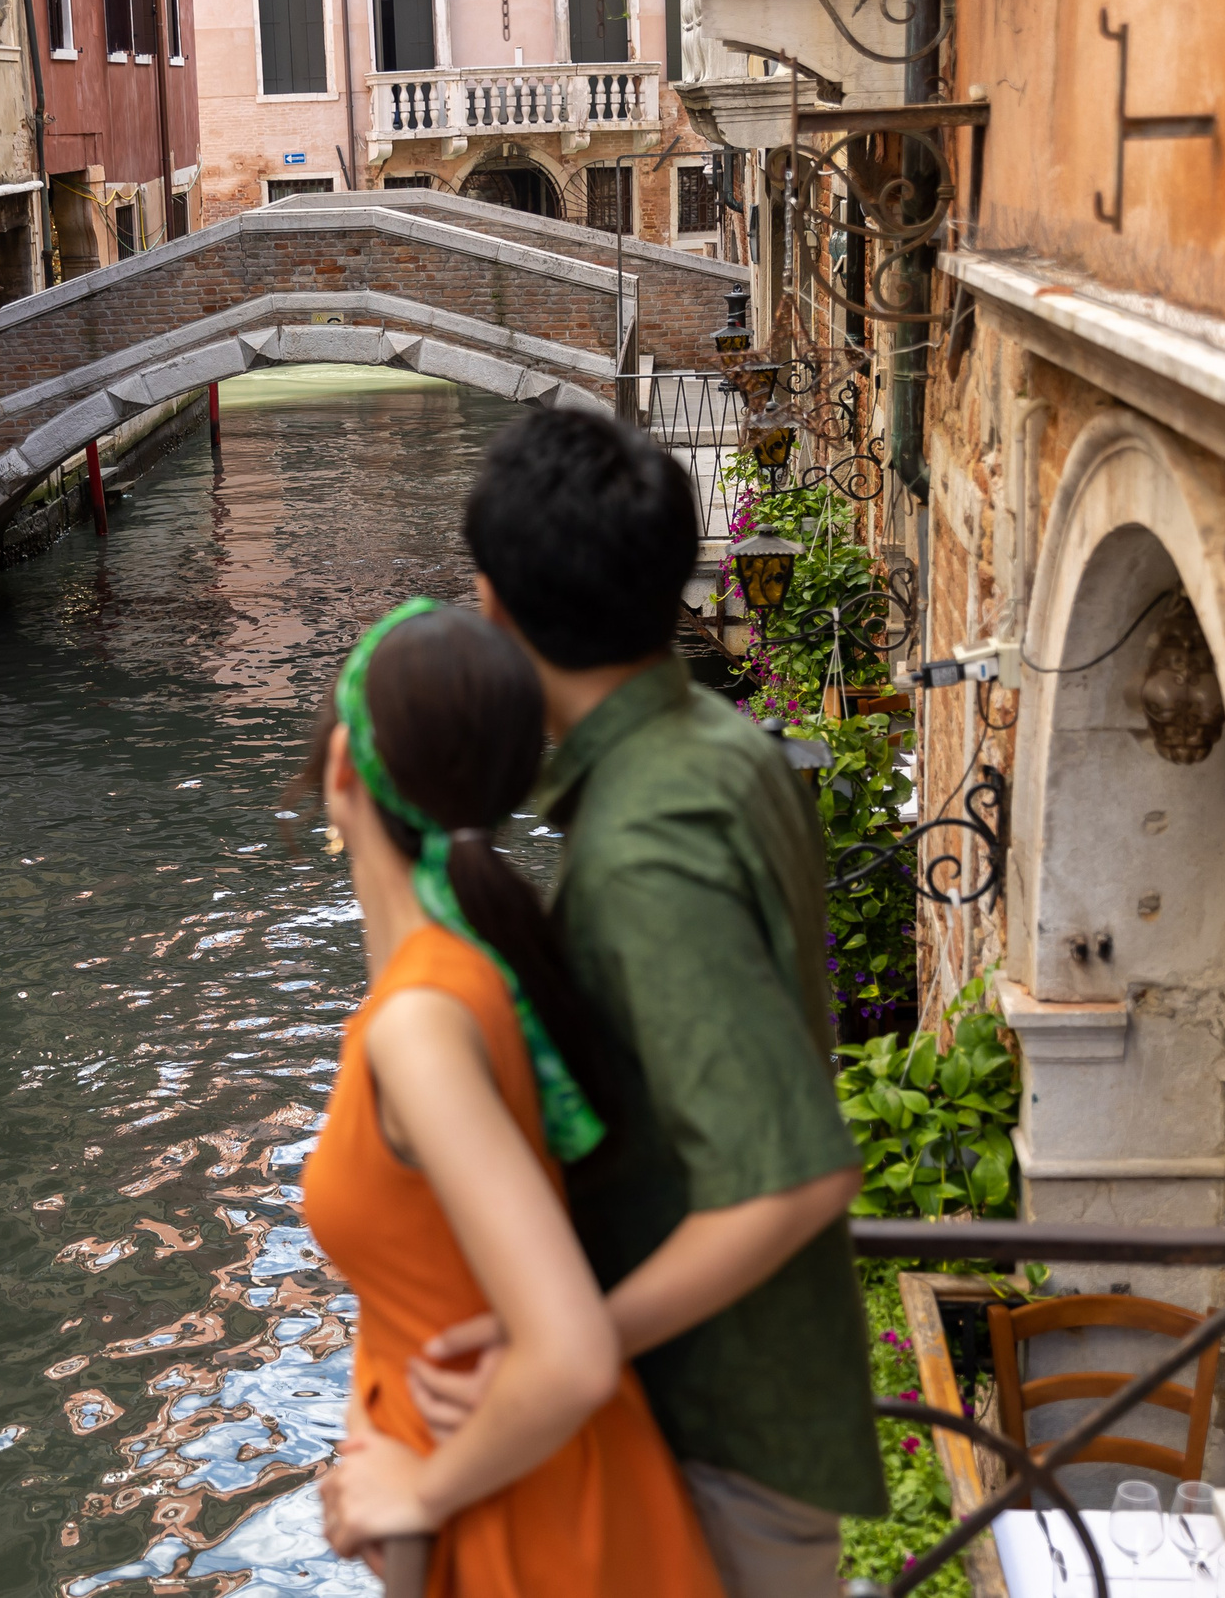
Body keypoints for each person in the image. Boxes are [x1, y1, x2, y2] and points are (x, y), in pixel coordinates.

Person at [409, 409, 884, 1598]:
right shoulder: (720, 744)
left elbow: (790, 1177)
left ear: (495, 608)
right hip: (748, 1415)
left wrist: (565, 1346)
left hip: (709, 1438)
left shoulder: (643, 846)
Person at [300, 598, 723, 1598]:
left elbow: (570, 1355)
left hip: (527, 1533)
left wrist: (421, 1489)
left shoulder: (420, 1024)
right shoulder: (472, 977)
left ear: (343, 770)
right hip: (513, 1498)